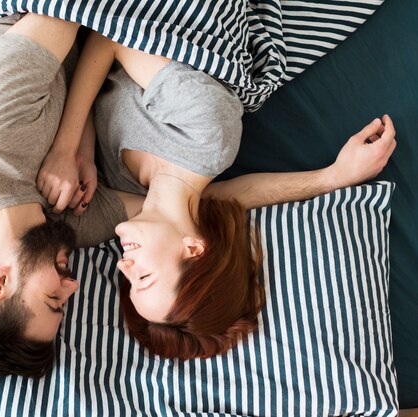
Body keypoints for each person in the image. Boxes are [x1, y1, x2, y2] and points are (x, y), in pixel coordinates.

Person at [37, 30, 397, 359]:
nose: (122, 265)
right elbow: (110, 38)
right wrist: (70, 148)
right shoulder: (208, 135)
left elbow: (233, 198)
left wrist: (330, 178)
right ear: (193, 248)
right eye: (143, 278)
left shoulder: (135, 200)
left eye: (128, 282)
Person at [0, 14, 130, 378]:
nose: (72, 285)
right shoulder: (60, 225)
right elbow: (176, 205)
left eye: (53, 300)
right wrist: (82, 151)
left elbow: (64, 10)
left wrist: (67, 146)